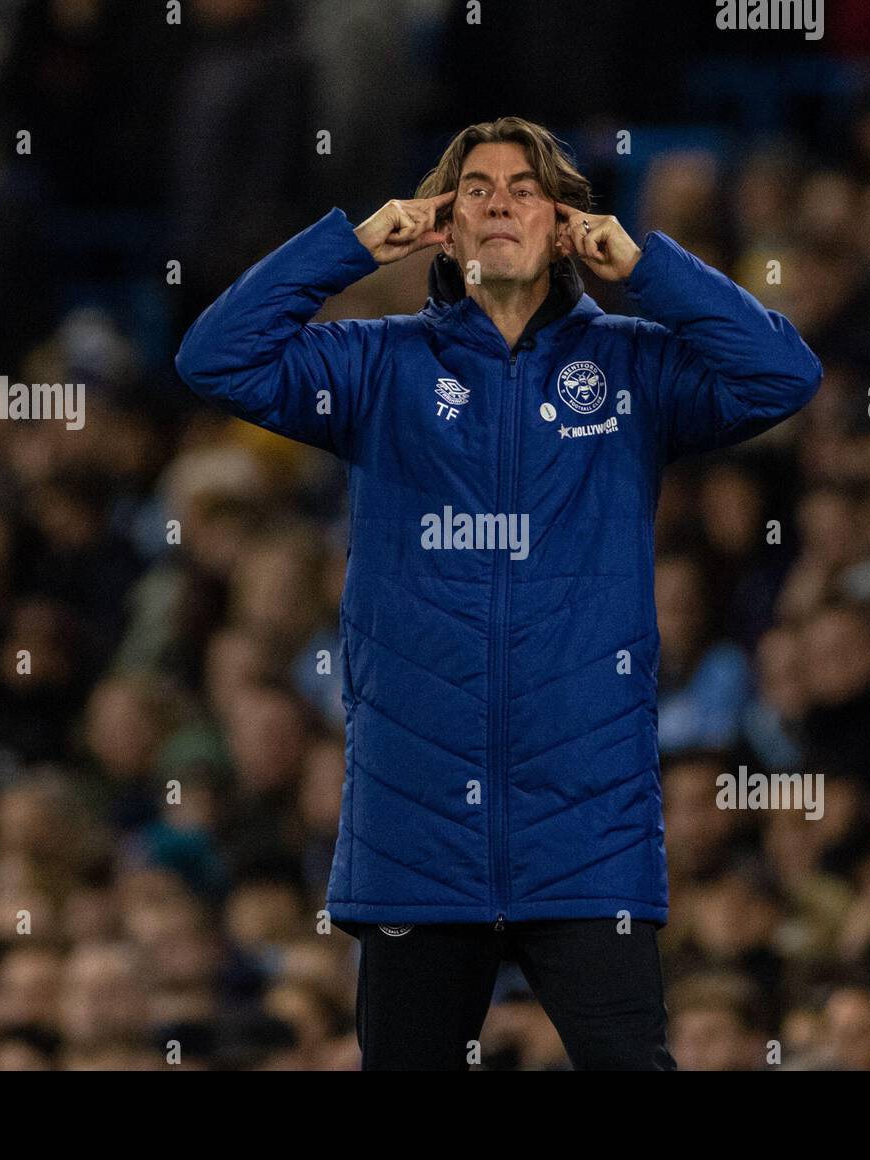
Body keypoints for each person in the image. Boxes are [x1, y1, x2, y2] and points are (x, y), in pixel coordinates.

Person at [175, 116, 823, 1070]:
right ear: (443, 224)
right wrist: (350, 248)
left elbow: (784, 374)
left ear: (565, 222)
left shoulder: (635, 366)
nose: (501, 202)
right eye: (476, 188)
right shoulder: (378, 367)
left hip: (586, 830)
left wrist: (647, 268)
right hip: (416, 834)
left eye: (526, 187)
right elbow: (214, 357)